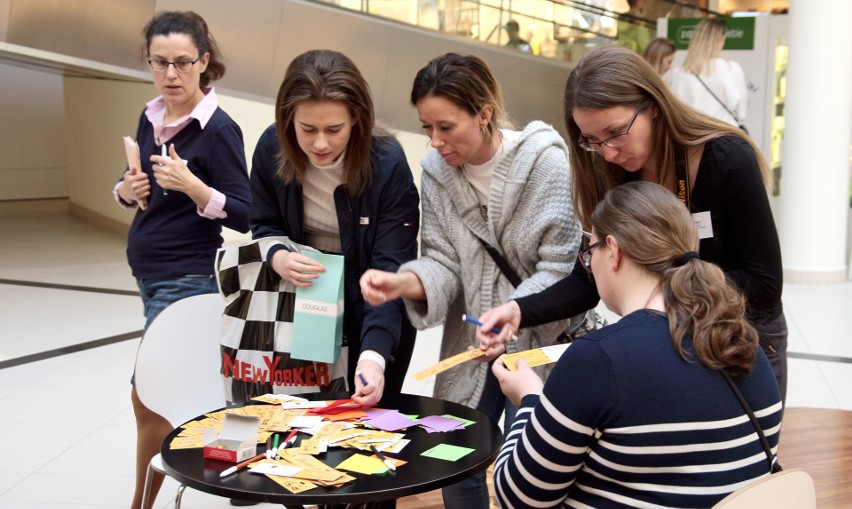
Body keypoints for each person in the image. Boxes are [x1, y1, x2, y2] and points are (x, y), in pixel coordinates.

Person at [476, 44, 788, 403]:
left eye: (615, 132)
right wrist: (518, 310)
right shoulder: (610, 171)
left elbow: (764, 284)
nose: (607, 152)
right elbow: (592, 274)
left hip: (739, 339)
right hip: (664, 344)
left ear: (653, 105)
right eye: (592, 140)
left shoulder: (727, 160)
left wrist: (655, 289)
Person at [360, 52, 583, 509]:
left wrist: (512, 313)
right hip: (470, 346)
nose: (435, 141)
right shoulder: (437, 175)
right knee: (455, 458)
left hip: (538, 342)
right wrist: (405, 283)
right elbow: (443, 260)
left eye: (446, 126)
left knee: (542, 462)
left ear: (483, 114)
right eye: (427, 127)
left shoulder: (545, 163)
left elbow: (560, 267)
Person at [491, 181, 783, 508]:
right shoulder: (745, 345)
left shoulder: (598, 359)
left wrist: (530, 398)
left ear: (613, 251)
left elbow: (518, 497)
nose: (589, 266)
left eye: (589, 253)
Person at [115, 10, 251, 509]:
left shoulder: (218, 130)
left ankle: (143, 503)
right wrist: (127, 190)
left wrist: (194, 186)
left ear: (204, 62)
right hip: (149, 276)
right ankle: (229, 472)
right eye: (159, 63)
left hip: (186, 278)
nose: (170, 75)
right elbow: (133, 190)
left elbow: (246, 211)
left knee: (148, 397)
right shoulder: (151, 115)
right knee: (169, 390)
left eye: (182, 63)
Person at [249, 49, 420, 411]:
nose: (320, 144)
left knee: (367, 428)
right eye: (307, 129)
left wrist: (373, 357)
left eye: (334, 129)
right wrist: (278, 256)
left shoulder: (387, 166)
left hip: (373, 313)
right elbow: (264, 223)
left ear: (357, 118)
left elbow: (389, 269)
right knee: (297, 426)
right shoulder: (271, 148)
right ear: (287, 118)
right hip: (304, 307)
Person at [665, 17, 749, 128]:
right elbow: (741, 111)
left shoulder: (676, 74)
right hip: (725, 135)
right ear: (720, 40)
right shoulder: (732, 68)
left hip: (691, 137)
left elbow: (673, 112)